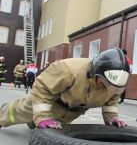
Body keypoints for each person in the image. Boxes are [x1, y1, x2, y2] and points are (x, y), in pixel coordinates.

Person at [0, 48, 129, 129]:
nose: (109, 87)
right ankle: (2, 114)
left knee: (49, 126)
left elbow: (112, 98)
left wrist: (111, 117)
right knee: (18, 113)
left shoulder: (114, 82)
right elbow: (42, 88)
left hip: (73, 109)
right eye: (106, 83)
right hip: (50, 100)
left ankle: (34, 121)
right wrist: (43, 117)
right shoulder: (68, 69)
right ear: (97, 72)